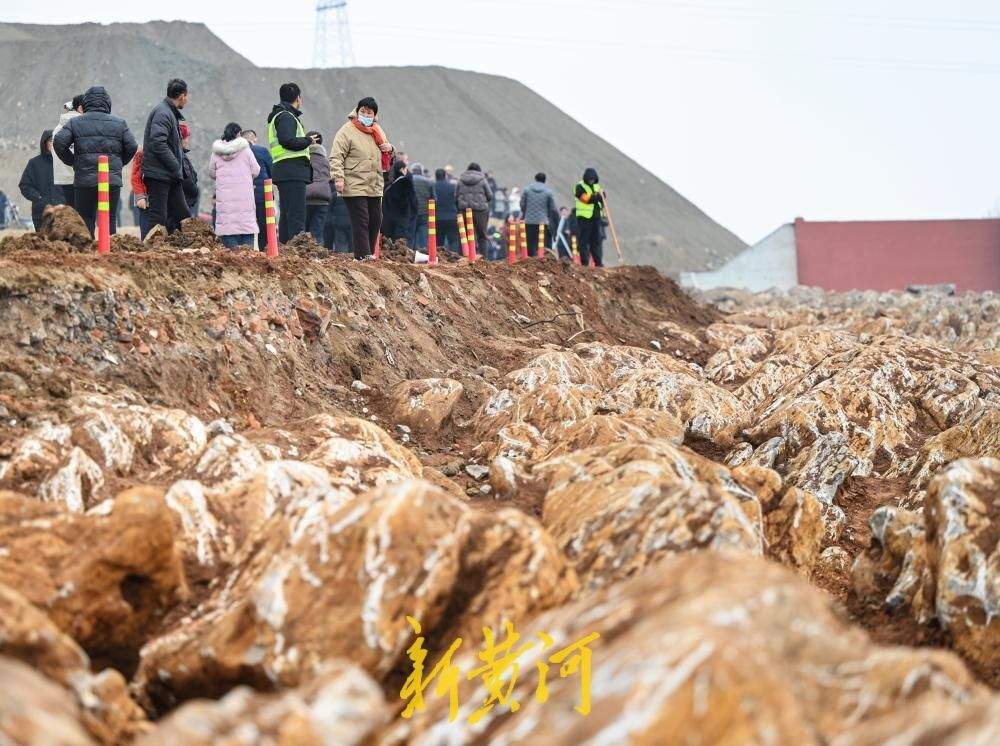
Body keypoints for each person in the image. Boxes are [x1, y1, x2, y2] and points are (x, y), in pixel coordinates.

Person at [53, 86, 137, 237]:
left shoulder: (76, 123)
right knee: (110, 218)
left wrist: (73, 162)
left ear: (86, 103)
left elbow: (59, 142)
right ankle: (109, 253)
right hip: (111, 180)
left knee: (85, 218)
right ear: (107, 103)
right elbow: (132, 146)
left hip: (85, 180)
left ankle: (87, 255)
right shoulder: (120, 123)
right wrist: (117, 164)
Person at [329, 96, 394, 260]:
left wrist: (390, 148)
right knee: (361, 220)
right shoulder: (347, 130)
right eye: (362, 111)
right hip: (354, 182)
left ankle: (368, 253)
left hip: (374, 183)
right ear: (357, 112)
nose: (365, 114)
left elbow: (386, 151)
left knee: (376, 220)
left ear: (374, 115)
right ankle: (362, 256)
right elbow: (336, 156)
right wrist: (338, 177)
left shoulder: (378, 130)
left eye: (369, 112)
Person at [267, 83, 318, 242]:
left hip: (285, 170)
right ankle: (296, 249)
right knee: (296, 215)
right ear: (298, 98)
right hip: (292, 170)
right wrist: (307, 140)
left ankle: (285, 248)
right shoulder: (286, 116)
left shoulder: (280, 115)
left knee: (288, 215)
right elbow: (287, 140)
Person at [141, 79, 190, 235]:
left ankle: (187, 251)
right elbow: (157, 143)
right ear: (182, 96)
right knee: (158, 218)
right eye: (187, 96)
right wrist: (176, 165)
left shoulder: (169, 112)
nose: (187, 99)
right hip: (159, 174)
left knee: (183, 215)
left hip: (170, 175)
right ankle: (152, 255)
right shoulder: (163, 112)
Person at [209, 122, 260, 250]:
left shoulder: (216, 153)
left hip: (225, 202)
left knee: (228, 237)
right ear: (238, 134)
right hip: (244, 200)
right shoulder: (246, 150)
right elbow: (256, 170)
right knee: (246, 235)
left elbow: (212, 172)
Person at [19, 130, 64, 229]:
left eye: (56, 140)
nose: (54, 143)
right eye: (51, 140)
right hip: (41, 213)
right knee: (43, 243)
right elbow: (24, 185)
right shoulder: (34, 163)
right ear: (44, 143)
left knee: (62, 243)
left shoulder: (65, 162)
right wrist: (38, 198)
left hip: (62, 213)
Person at [243, 129, 273, 250]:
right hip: (262, 195)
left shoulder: (238, 153)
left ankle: (246, 250)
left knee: (245, 225)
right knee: (263, 225)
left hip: (244, 195)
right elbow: (272, 171)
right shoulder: (262, 151)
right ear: (254, 139)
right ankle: (264, 250)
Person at [52, 95, 83, 208]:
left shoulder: (57, 129)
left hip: (63, 179)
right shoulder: (82, 126)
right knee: (84, 215)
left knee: (71, 214)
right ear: (80, 109)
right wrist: (75, 163)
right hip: (80, 177)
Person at [455, 162, 492, 257]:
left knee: (464, 235)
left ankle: (463, 257)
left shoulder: (460, 180)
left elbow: (455, 197)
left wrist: (460, 207)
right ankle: (484, 258)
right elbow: (490, 195)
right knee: (482, 236)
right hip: (481, 211)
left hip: (464, 210)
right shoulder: (483, 180)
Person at [520, 172, 557, 257]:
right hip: (542, 221)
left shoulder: (527, 190)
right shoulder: (548, 192)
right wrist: (547, 215)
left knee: (530, 242)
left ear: (535, 179)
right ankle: (540, 259)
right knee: (541, 242)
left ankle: (530, 259)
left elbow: (522, 204)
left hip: (529, 221)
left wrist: (526, 212)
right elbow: (553, 208)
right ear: (544, 181)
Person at [304, 130, 332, 244]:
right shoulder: (326, 161)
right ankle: (318, 255)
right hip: (322, 199)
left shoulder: (303, 158)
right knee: (317, 232)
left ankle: (303, 257)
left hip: (305, 197)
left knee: (303, 233)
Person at [381, 159, 417, 242]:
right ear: (402, 169)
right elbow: (413, 200)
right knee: (400, 241)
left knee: (388, 242)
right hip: (402, 218)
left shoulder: (388, 185)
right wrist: (414, 212)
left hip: (387, 219)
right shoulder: (406, 182)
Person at [574, 167, 604, 266]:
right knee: (583, 241)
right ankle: (584, 263)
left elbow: (601, 200)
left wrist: (603, 196)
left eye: (593, 179)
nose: (591, 181)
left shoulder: (597, 187)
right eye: (590, 179)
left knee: (595, 242)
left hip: (596, 218)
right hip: (584, 219)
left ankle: (598, 263)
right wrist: (596, 197)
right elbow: (584, 199)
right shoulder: (579, 186)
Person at [433, 168, 459, 253]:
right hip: (452, 217)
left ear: (436, 176)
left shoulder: (433, 186)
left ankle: (440, 258)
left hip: (438, 217)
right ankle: (454, 257)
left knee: (439, 240)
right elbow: (456, 201)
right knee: (453, 240)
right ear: (445, 176)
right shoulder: (452, 187)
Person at [410, 164, 434, 250]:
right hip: (424, 212)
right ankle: (423, 252)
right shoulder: (428, 181)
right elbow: (434, 198)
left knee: (411, 234)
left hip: (411, 211)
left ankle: (411, 252)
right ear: (421, 171)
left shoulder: (408, 180)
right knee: (423, 235)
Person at [130, 149, 151, 239]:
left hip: (162, 197)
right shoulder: (141, 154)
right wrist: (140, 196)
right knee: (146, 228)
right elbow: (135, 177)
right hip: (145, 197)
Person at [179, 123, 199, 220]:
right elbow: (187, 180)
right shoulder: (180, 156)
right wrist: (195, 191)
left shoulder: (180, 154)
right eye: (186, 137)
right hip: (183, 203)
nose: (188, 141)